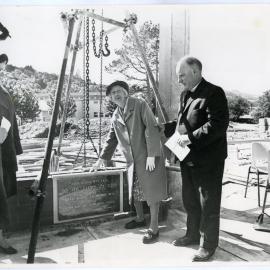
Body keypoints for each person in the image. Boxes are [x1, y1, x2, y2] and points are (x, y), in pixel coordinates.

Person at [165, 56, 229, 261]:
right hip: (188, 157)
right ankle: (192, 235)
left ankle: (208, 245)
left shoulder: (214, 92)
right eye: (178, 76)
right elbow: (184, 121)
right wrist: (166, 127)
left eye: (182, 75)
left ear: (195, 71)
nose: (179, 80)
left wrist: (188, 139)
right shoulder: (186, 94)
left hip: (209, 160)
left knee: (208, 204)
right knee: (190, 200)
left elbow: (217, 125)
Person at [92, 80, 167, 244]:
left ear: (126, 92)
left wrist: (152, 154)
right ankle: (140, 219)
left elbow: (152, 127)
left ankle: (154, 228)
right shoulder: (116, 115)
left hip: (148, 157)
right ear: (110, 98)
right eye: (112, 93)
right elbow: (111, 139)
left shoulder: (139, 104)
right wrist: (101, 159)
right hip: (132, 160)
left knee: (152, 192)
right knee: (136, 191)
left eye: (119, 90)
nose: (116, 94)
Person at [0, 53, 23, 254]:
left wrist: (5, 128)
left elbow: (8, 123)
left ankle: (0, 239)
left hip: (2, 155)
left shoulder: (4, 94)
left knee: (2, 194)